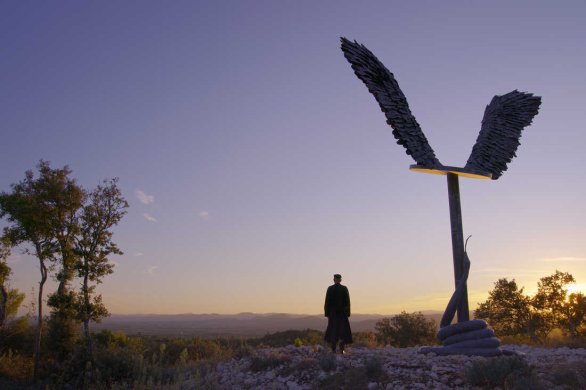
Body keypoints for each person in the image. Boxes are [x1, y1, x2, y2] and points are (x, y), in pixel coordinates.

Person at [324, 273, 352, 354]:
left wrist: (327, 313)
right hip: (341, 313)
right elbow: (348, 301)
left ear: (335, 279)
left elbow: (327, 302)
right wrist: (348, 313)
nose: (336, 280)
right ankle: (340, 350)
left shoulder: (330, 288)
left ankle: (334, 349)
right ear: (340, 280)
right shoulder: (344, 288)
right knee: (342, 331)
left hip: (334, 314)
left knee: (333, 330)